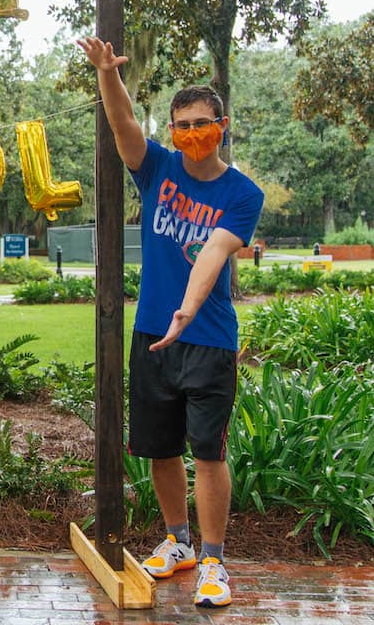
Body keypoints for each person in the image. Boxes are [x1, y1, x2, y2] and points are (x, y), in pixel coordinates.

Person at [80, 37, 264, 610]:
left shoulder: (242, 193)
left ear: (221, 126)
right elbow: (123, 123)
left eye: (200, 123)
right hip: (153, 335)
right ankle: (177, 541)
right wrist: (108, 74)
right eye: (181, 123)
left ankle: (213, 560)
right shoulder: (156, 168)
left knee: (207, 453)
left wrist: (188, 307)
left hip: (207, 338)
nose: (189, 133)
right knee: (161, 449)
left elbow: (213, 252)